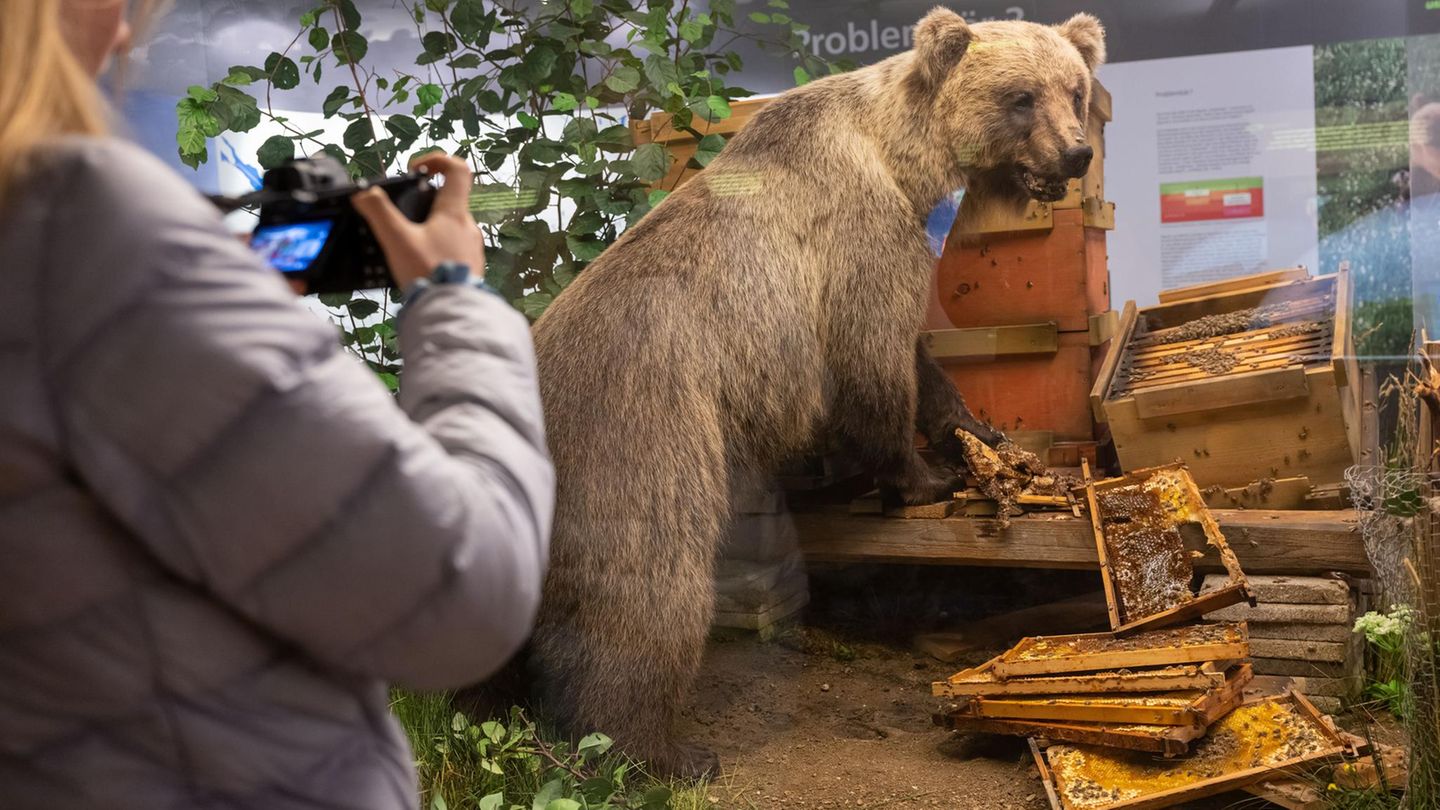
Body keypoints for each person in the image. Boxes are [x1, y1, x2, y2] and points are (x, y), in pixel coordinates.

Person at [0, 1, 554, 807]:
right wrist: (456, 299)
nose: (124, 34)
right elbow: (466, 591)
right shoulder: (75, 216)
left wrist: (200, 297)